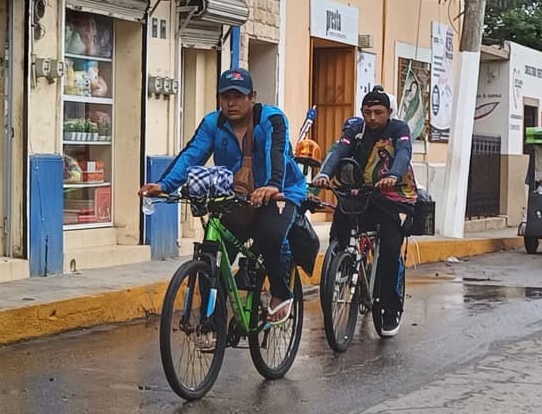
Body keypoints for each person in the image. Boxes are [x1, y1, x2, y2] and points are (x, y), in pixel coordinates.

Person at [141, 65, 308, 319]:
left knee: (270, 236)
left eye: (238, 96)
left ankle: (281, 291)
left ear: (252, 97)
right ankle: (210, 324)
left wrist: (273, 185)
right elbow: (191, 154)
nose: (231, 103)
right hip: (237, 196)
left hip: (282, 192)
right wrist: (164, 185)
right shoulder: (213, 123)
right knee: (213, 253)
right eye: (225, 97)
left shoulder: (271, 118)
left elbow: (277, 152)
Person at [315, 86, 416, 334]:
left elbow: (404, 152)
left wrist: (393, 174)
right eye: (367, 111)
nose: (372, 117)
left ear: (389, 112)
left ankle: (390, 309)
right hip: (360, 193)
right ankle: (342, 266)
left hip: (392, 195)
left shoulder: (398, 129)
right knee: (340, 228)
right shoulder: (355, 129)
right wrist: (324, 173)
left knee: (391, 249)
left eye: (378, 112)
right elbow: (339, 149)